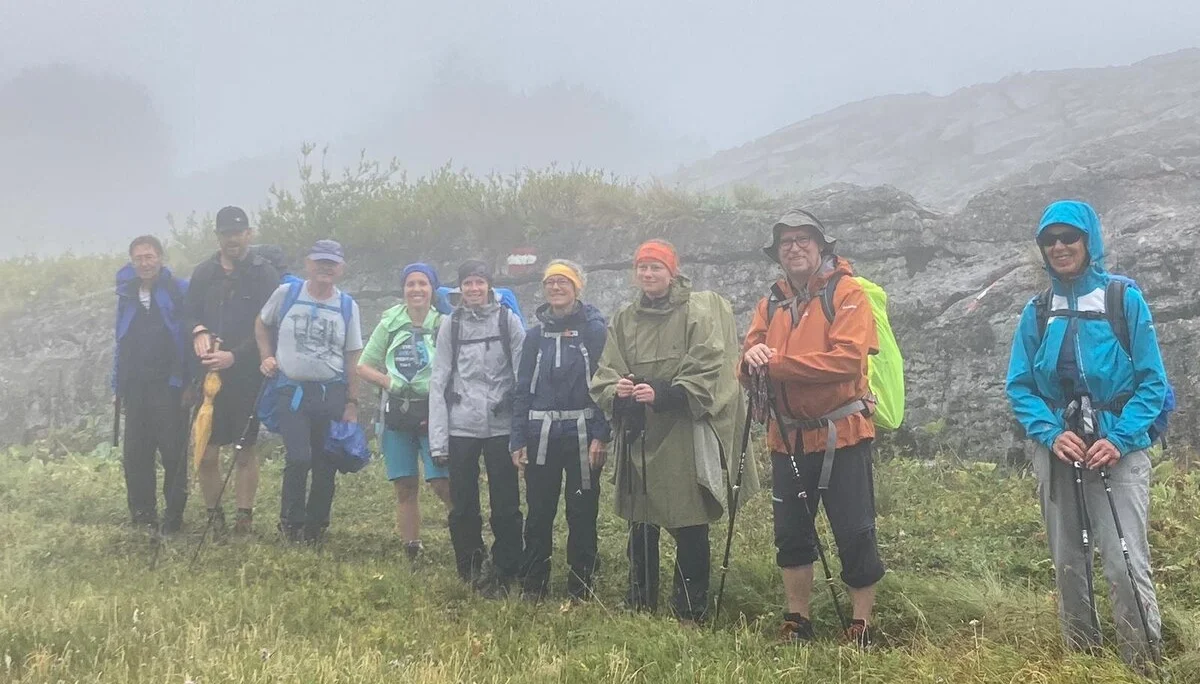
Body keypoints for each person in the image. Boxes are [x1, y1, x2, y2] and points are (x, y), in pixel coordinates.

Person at [1006, 200, 1166, 669]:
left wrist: (1119, 439)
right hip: (1059, 451)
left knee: (1123, 562)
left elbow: (1152, 381)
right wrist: (1051, 432)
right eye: (1049, 239)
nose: (1059, 247)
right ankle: (1085, 662)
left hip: (1117, 449)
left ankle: (1142, 666)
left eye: (1069, 237)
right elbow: (1020, 386)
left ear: (1089, 241)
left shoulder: (1122, 299)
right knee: (1069, 564)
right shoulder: (1037, 311)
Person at [740, 209, 885, 646]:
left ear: (822, 246)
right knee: (791, 533)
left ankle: (861, 625)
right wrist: (749, 363)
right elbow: (748, 358)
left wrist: (776, 364)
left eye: (803, 239)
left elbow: (846, 360)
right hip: (787, 438)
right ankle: (797, 620)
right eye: (786, 242)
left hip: (843, 434)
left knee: (855, 530)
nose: (794, 247)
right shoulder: (770, 303)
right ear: (777, 254)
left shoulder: (849, 293)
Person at [590, 239, 747, 625]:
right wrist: (619, 391)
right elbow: (607, 371)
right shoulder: (625, 318)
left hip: (681, 431)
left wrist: (666, 393)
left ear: (671, 272)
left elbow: (710, 361)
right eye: (642, 268)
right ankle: (640, 603)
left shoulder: (696, 310)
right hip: (640, 434)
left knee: (689, 521)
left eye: (656, 267)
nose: (648, 274)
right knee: (641, 524)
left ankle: (689, 609)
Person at [511, 259, 611, 601]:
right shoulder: (534, 336)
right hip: (541, 435)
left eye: (563, 282)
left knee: (582, 511)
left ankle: (581, 587)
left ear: (577, 287)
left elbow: (604, 383)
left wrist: (601, 434)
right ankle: (533, 584)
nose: (556, 288)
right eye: (550, 283)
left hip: (582, 434)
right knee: (539, 512)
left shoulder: (594, 330)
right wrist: (517, 439)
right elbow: (522, 388)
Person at [428, 259, 526, 596]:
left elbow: (522, 376)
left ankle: (506, 568)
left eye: (479, 283)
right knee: (464, 505)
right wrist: (438, 441)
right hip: (461, 427)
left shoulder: (507, 320)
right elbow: (439, 380)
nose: (473, 289)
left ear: (489, 286)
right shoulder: (449, 325)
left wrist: (520, 432)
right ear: (460, 287)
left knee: (506, 505)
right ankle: (470, 569)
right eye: (468, 283)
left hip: (500, 426)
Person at [256, 239, 363, 543]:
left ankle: (316, 527)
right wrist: (266, 355)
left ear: (340, 268)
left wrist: (352, 402)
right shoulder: (287, 294)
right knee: (299, 457)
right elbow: (262, 324)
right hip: (291, 392)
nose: (325, 268)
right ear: (308, 264)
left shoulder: (347, 306)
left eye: (331, 263)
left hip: (331, 394)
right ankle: (291, 523)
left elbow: (353, 355)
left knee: (325, 462)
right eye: (320, 262)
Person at [185, 206, 279, 534]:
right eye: (226, 233)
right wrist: (198, 331)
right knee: (207, 452)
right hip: (207, 377)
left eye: (238, 233)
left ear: (248, 234)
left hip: (246, 376)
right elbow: (187, 314)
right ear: (218, 237)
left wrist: (234, 357)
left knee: (244, 449)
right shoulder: (203, 274)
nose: (232, 239)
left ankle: (243, 517)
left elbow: (271, 326)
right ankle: (214, 516)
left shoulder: (264, 274)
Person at [357, 263, 454, 559]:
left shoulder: (444, 323)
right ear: (403, 289)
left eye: (422, 283)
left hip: (434, 411)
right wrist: (391, 383)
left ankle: (465, 538)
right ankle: (412, 548)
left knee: (442, 482)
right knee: (404, 484)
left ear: (432, 289)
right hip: (397, 412)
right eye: (410, 284)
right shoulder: (389, 323)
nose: (416, 289)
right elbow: (363, 365)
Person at [112, 235, 190, 534]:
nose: (144, 263)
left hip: (169, 385)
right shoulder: (128, 294)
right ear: (132, 262)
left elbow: (186, 337)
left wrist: (189, 383)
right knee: (136, 453)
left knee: (173, 452)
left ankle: (173, 518)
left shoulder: (178, 290)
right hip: (135, 386)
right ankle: (143, 516)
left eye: (149, 256)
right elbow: (121, 340)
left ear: (160, 257)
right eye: (138, 258)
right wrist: (117, 385)